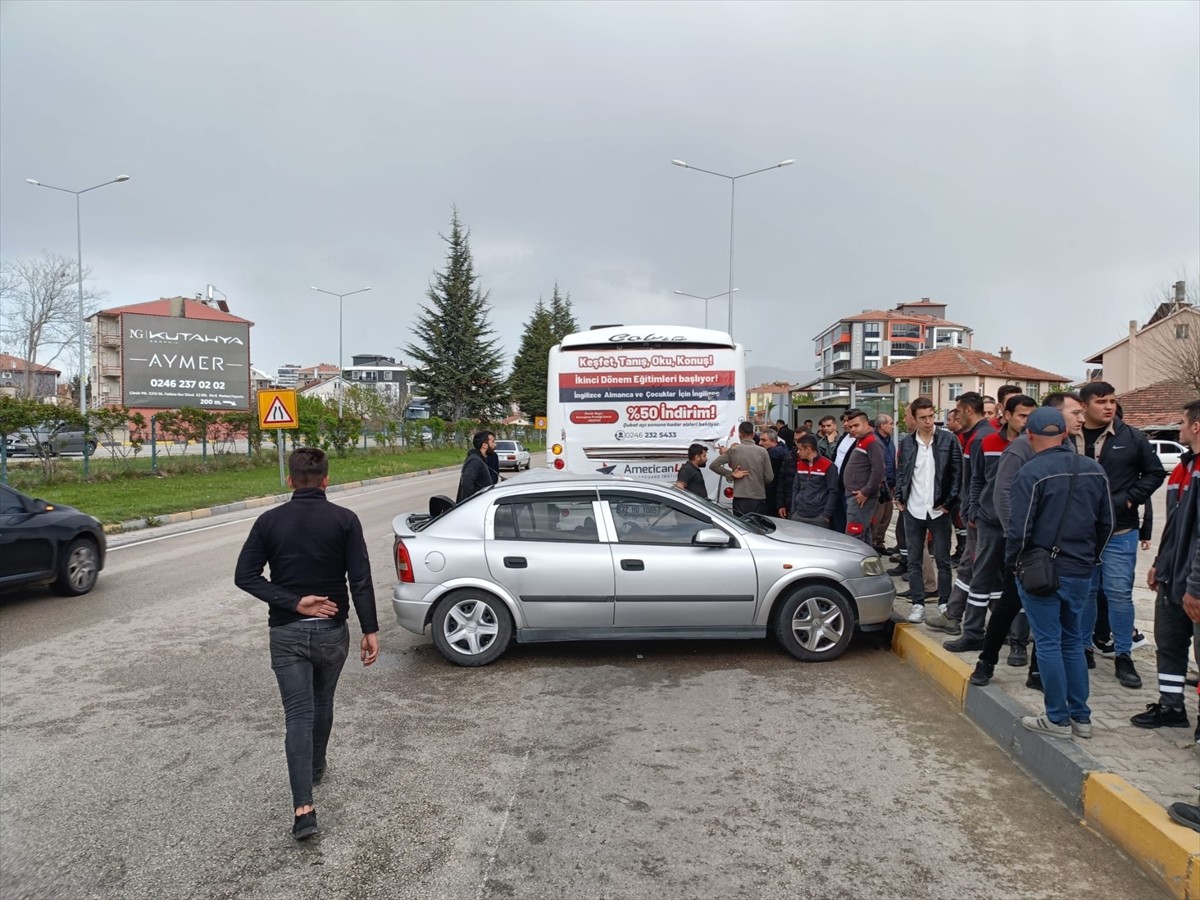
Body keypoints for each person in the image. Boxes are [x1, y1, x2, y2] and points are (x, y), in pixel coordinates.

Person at [234, 447, 380, 840]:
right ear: (327, 480)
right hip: (332, 631)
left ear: (290, 480)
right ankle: (316, 766)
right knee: (323, 702)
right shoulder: (345, 520)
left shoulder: (268, 521)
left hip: (286, 632)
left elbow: (245, 576)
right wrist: (370, 629)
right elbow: (360, 580)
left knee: (298, 715)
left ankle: (304, 809)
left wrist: (293, 602)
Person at [1006, 407, 1112, 739]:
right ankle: (1081, 717)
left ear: (1030, 435)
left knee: (1049, 643)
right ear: (1064, 434)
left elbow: (1019, 529)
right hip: (1081, 570)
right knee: (1073, 642)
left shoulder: (1031, 473)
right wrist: (1090, 557)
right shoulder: (1094, 470)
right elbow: (1106, 523)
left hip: (1042, 571)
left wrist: (1015, 563)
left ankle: (1057, 719)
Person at [968, 392, 1085, 688]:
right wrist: (1017, 537)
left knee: (1049, 615)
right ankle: (987, 661)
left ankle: (1036, 672)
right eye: (1075, 413)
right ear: (1055, 417)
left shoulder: (1070, 449)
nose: (1080, 419)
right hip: (1025, 548)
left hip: (1060, 550)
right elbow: (1003, 494)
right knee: (1010, 604)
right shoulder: (1021, 448)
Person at [1075, 381, 1167, 688]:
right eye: (1101, 401)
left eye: (1112, 401)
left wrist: (1130, 498)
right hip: (1081, 533)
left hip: (1121, 530)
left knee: (1118, 594)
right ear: (1085, 405)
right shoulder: (1070, 436)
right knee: (1085, 592)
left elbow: (1154, 473)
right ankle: (1084, 647)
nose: (1109, 406)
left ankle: (1124, 655)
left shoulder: (1132, 437)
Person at [942, 394, 1038, 653]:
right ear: (1006, 415)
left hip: (1022, 528)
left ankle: (1015, 638)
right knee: (981, 579)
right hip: (989, 523)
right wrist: (973, 511)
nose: (1027, 422)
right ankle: (972, 633)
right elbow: (975, 479)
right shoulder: (987, 442)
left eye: (1031, 416)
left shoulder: (1035, 446)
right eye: (1022, 415)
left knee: (1016, 582)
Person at [1133, 398, 1200, 736]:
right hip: (1174, 576)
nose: (1179, 429)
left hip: (1194, 584)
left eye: (1182, 423)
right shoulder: (1182, 468)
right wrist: (1160, 564)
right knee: (1170, 644)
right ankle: (1172, 706)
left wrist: (1195, 588)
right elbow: (1175, 526)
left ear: (1196, 426)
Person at [895, 397, 962, 622]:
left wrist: (949, 503)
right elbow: (902, 471)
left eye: (931, 416)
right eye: (923, 417)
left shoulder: (948, 440)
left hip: (938, 509)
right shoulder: (906, 442)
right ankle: (917, 604)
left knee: (942, 560)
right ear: (914, 419)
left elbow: (956, 474)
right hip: (913, 508)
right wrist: (899, 497)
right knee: (914, 560)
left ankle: (944, 602)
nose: (928, 421)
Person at [940, 393, 996, 630]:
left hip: (979, 517)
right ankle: (953, 614)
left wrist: (971, 511)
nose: (956, 415)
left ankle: (956, 617)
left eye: (959, 411)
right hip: (977, 514)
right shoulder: (976, 436)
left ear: (969, 411)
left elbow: (977, 481)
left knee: (979, 568)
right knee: (971, 566)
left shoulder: (980, 439)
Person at [709, 420, 774, 516]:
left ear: (740, 434)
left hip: (740, 496)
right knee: (757, 526)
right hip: (758, 496)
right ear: (753, 434)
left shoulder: (734, 450)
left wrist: (731, 474)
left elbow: (714, 465)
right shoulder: (762, 451)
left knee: (740, 526)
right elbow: (769, 477)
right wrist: (758, 481)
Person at [841, 409, 885, 545]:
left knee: (855, 533)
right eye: (851, 426)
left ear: (866, 425)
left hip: (860, 497)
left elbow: (878, 470)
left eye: (856, 426)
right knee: (863, 532)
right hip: (855, 495)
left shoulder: (872, 442)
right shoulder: (861, 440)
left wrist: (865, 491)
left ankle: (854, 564)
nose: (852, 429)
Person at [777, 433, 838, 526]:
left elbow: (833, 491)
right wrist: (793, 511)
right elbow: (795, 488)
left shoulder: (828, 466)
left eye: (800, 449)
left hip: (818, 516)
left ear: (808, 449)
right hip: (799, 514)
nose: (798, 452)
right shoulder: (800, 464)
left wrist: (826, 514)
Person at [871, 414, 897, 554]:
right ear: (882, 425)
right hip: (880, 485)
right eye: (891, 423)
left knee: (887, 516)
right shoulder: (875, 441)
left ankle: (880, 543)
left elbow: (891, 461)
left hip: (890, 484)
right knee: (877, 516)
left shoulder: (889, 441)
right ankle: (873, 543)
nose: (892, 426)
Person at [457, 431, 495, 502]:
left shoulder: (478, 459)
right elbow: (467, 483)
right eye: (493, 442)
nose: (495, 445)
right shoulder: (475, 461)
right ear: (484, 445)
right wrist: (472, 503)